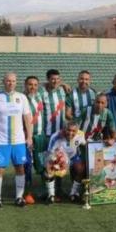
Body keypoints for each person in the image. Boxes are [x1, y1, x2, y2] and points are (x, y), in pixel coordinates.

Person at [0, 72, 33, 209]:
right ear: (3, 82)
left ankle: (19, 197)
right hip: (1, 141)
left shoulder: (22, 98)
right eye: (8, 81)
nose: (10, 83)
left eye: (13, 81)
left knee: (20, 168)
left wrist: (29, 137)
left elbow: (27, 118)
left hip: (19, 141)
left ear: (16, 82)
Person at [41, 69, 68, 198]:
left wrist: (64, 85)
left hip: (60, 134)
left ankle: (59, 188)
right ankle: (47, 191)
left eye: (58, 79)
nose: (55, 81)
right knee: (47, 163)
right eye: (52, 79)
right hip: (47, 134)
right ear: (47, 79)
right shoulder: (42, 92)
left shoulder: (63, 91)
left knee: (60, 161)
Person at [48, 121, 87, 203]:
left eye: (73, 131)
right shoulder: (56, 137)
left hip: (73, 158)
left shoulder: (80, 135)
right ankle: (51, 195)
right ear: (64, 129)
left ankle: (73, 194)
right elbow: (50, 154)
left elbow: (85, 144)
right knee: (50, 168)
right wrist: (58, 162)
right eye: (68, 130)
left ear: (77, 131)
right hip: (59, 159)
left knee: (81, 168)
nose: (70, 133)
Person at [23, 76, 45, 204]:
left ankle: (46, 191)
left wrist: (63, 84)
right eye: (30, 84)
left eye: (35, 85)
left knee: (42, 164)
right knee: (27, 166)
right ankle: (27, 193)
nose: (33, 87)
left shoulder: (39, 96)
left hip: (40, 136)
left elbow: (52, 84)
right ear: (25, 85)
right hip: (27, 138)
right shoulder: (21, 98)